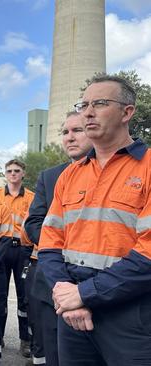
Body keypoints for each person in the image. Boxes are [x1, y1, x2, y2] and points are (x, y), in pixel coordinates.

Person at [39, 74, 151, 364]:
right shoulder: (70, 174)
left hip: (131, 316)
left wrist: (85, 294)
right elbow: (50, 244)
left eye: (99, 103)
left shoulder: (148, 167)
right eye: (84, 104)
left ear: (127, 112)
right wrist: (67, 295)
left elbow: (149, 254)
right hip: (72, 314)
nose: (87, 112)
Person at [23, 111, 93, 366]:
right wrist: (62, 243)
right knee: (55, 357)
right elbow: (33, 223)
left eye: (78, 130)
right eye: (65, 132)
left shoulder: (116, 171)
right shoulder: (50, 176)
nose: (70, 137)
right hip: (52, 286)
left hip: (99, 289)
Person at [0, 159, 35, 365]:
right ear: (5, 174)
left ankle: (26, 340)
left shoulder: (31, 197)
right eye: (9, 171)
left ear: (23, 174)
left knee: (24, 298)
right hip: (0, 250)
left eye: (17, 171)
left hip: (22, 250)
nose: (13, 174)